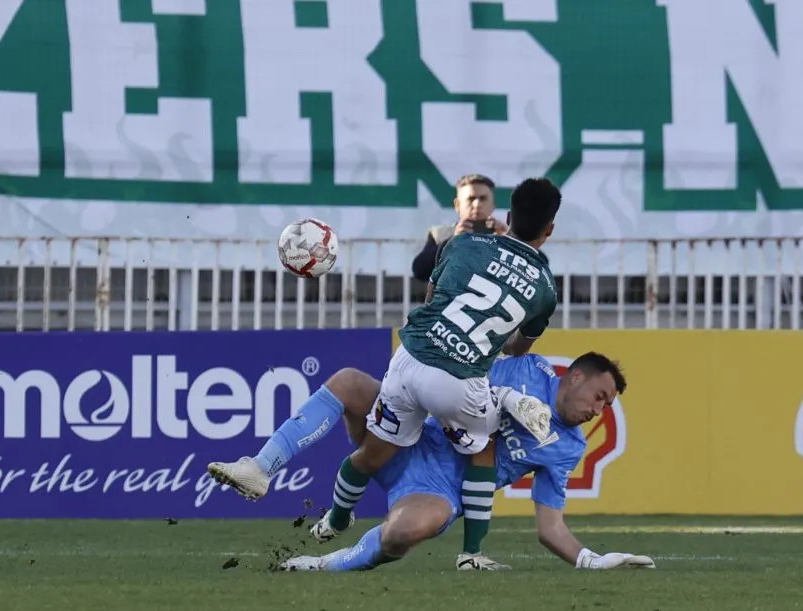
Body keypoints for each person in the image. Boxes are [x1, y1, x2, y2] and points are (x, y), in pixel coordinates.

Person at [209, 177, 562, 568]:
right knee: (485, 446)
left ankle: (272, 476)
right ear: (549, 230)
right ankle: (472, 555)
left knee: (374, 452)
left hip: (408, 359)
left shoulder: (462, 243)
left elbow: (431, 301)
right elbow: (516, 349)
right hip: (456, 382)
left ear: (508, 216)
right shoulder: (545, 287)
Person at [278, 352, 653, 572]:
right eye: (600, 396)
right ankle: (267, 468)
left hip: (437, 491)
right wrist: (502, 396)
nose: (598, 411)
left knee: (402, 533)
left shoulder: (569, 447)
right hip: (412, 436)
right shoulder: (526, 369)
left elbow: (549, 527)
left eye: (606, 406)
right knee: (350, 383)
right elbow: (463, 379)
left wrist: (592, 560)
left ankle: (324, 563)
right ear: (574, 376)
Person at [411, 174, 501, 283]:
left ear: (493, 205)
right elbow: (420, 272)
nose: (477, 205)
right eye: (471, 199)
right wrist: (452, 241)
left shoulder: (505, 235)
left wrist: (512, 243)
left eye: (483, 199)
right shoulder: (441, 235)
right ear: (457, 205)